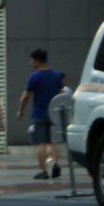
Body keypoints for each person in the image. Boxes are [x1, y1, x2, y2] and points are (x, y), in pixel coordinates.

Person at [18, 48, 66, 179]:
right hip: (53, 114)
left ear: (37, 61)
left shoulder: (34, 76)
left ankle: (43, 171)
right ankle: (55, 163)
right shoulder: (56, 75)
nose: (31, 63)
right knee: (51, 142)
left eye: (31, 60)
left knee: (40, 143)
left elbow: (26, 96)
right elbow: (61, 94)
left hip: (39, 114)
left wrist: (20, 110)